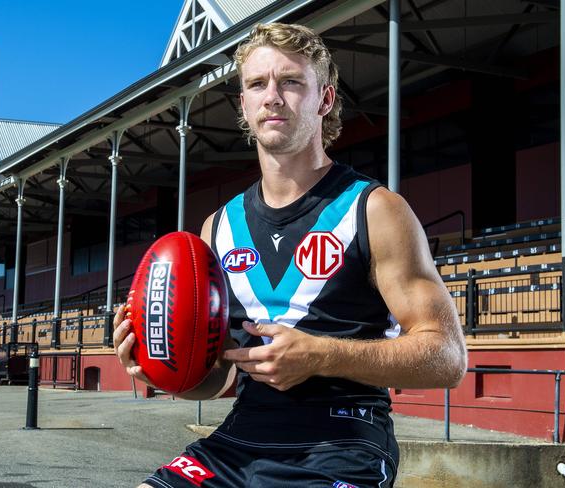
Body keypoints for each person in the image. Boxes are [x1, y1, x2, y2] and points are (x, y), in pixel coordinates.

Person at [113, 22, 467, 488]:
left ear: (324, 100)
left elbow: (446, 357)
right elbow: (221, 379)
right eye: (257, 84)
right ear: (243, 104)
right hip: (241, 441)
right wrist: (162, 369)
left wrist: (321, 355)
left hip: (344, 442)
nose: (273, 96)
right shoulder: (218, 228)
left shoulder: (375, 209)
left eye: (291, 81)